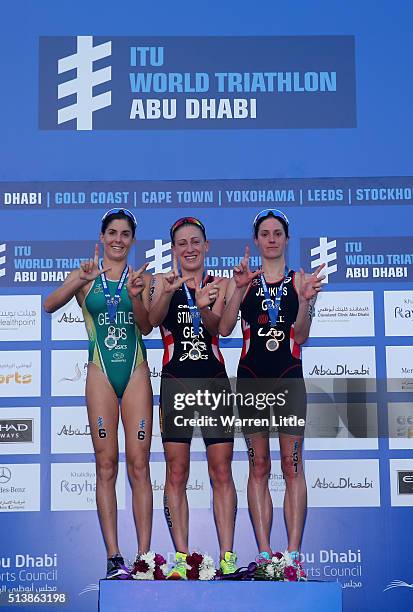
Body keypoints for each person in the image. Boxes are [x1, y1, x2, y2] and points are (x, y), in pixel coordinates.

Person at [44, 208, 153, 579]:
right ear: (102, 237)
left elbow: (148, 327)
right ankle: (113, 556)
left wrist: (138, 294)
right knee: (105, 464)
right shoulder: (86, 273)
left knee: (139, 465)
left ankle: (144, 556)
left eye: (125, 234)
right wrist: (78, 282)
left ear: (132, 240)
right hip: (100, 373)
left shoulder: (143, 278)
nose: (118, 240)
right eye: (112, 233)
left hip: (136, 371)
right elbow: (49, 304)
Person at [219, 209, 324, 568]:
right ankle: (265, 554)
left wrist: (307, 301)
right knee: (258, 466)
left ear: (287, 239)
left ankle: (293, 555)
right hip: (251, 379)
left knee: (292, 467)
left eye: (278, 233)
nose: (272, 239)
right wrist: (239, 288)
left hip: (288, 379)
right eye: (265, 233)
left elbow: (301, 336)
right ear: (257, 240)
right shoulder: (244, 279)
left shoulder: (300, 281)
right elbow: (224, 328)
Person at [149, 217, 237, 578]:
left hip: (214, 381)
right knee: (177, 472)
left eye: (196, 241)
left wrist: (205, 304)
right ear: (174, 250)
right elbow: (150, 321)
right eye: (182, 243)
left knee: (221, 471)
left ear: (206, 245)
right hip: (176, 383)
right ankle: (182, 559)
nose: (189, 248)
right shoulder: (161, 282)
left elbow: (223, 329)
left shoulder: (222, 284)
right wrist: (167, 291)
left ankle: (228, 558)